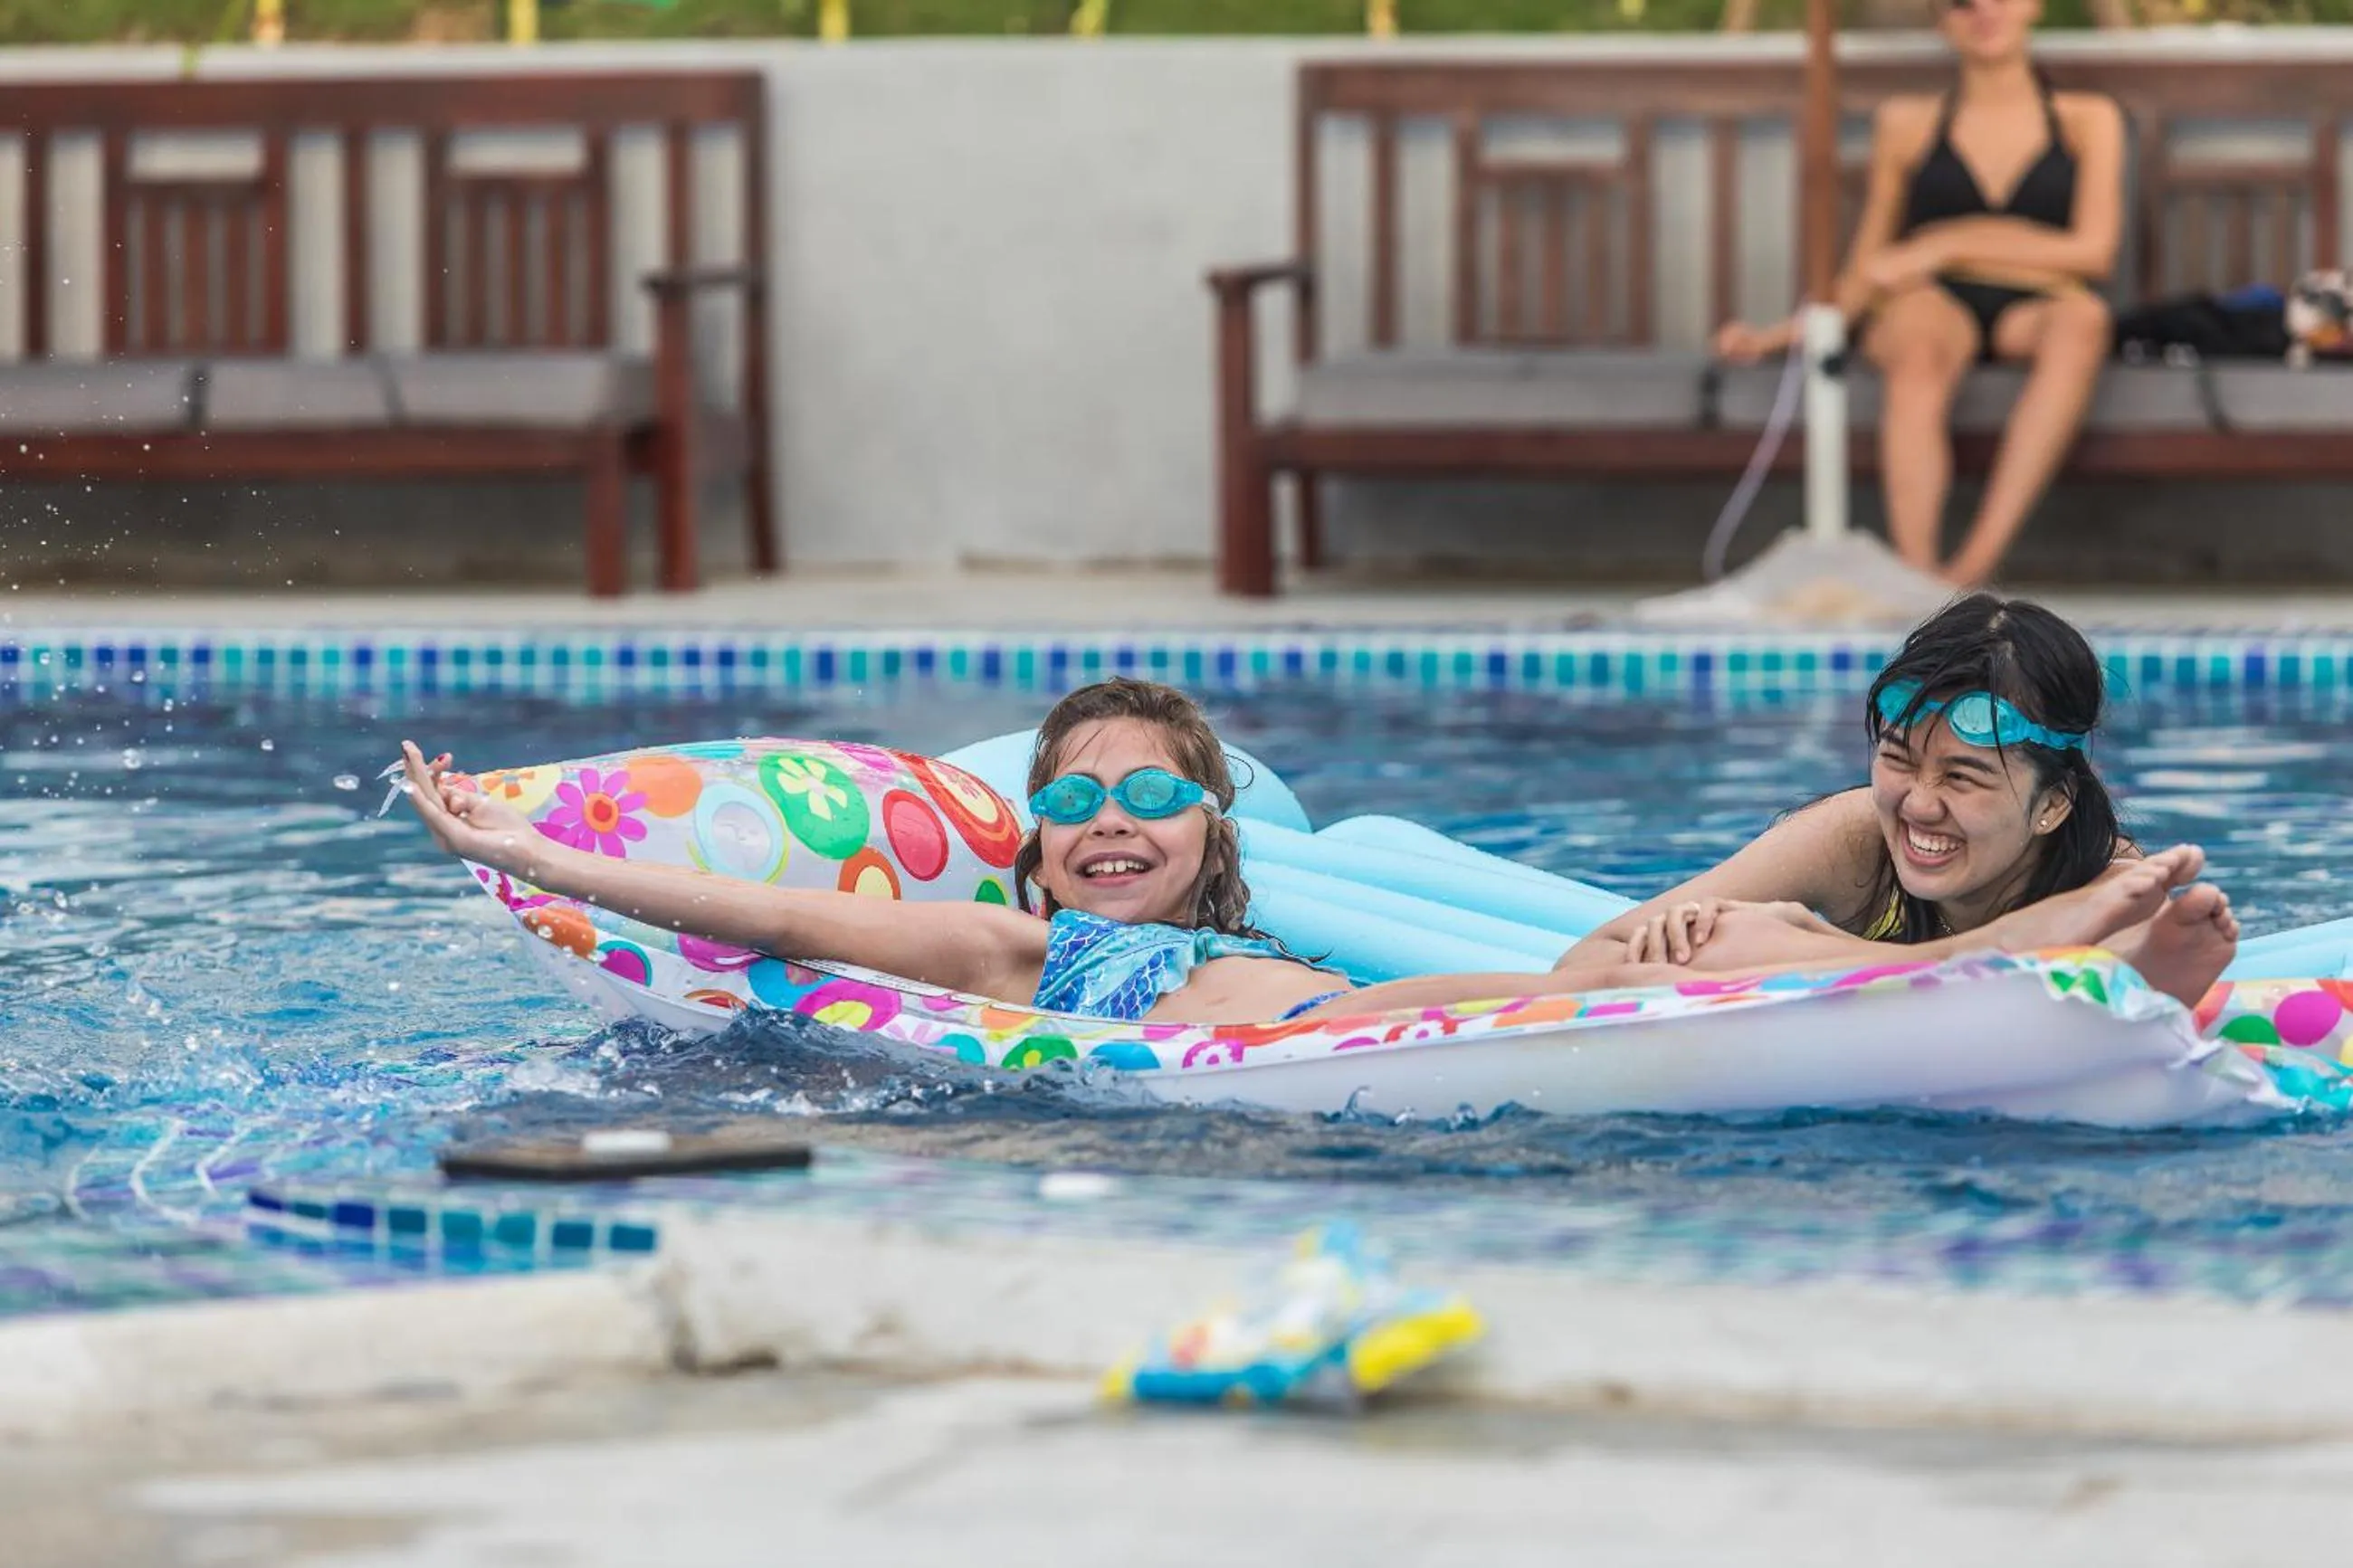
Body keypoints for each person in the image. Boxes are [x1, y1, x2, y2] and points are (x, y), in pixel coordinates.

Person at [403, 669, 2223, 1028]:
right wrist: (552, 856)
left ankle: (2030, 964)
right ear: (1030, 858)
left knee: (1714, 940)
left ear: (1216, 842)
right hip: (1366, 1041)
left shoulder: (1268, 916)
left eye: (1149, 797)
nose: (1107, 820)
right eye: (1073, 803)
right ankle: (2008, 971)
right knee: (1726, 947)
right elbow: (784, 908)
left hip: (1463, 1001)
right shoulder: (1038, 956)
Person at [1553, 594, 2238, 1006]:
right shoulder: (1855, 837)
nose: (1919, 805)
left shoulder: (2109, 885)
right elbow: (1583, 965)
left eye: (1963, 777)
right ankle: (1986, 951)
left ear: (2053, 803)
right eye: (1899, 759)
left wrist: (1792, 950)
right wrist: (1674, 941)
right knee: (1725, 939)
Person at [1713, 0, 2125, 589]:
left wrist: (1945, 242)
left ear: (2033, 6)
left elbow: (2092, 254)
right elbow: (1872, 264)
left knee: (2084, 321)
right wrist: (1780, 335)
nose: (1984, 11)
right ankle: (1919, 576)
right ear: (1941, 19)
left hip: (2036, 304)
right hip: (1929, 303)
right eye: (1962, 1)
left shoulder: (2088, 117)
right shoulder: (1907, 123)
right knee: (1917, 347)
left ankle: (1974, 567)